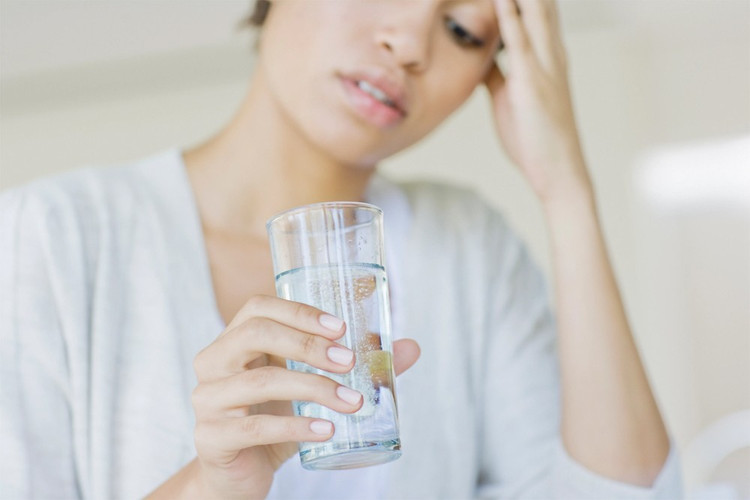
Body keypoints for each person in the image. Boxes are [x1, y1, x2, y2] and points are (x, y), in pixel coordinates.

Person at [0, 0, 682, 498]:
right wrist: (210, 487)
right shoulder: (49, 237)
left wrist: (566, 188)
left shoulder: (471, 248)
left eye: (462, 30)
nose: (408, 43)